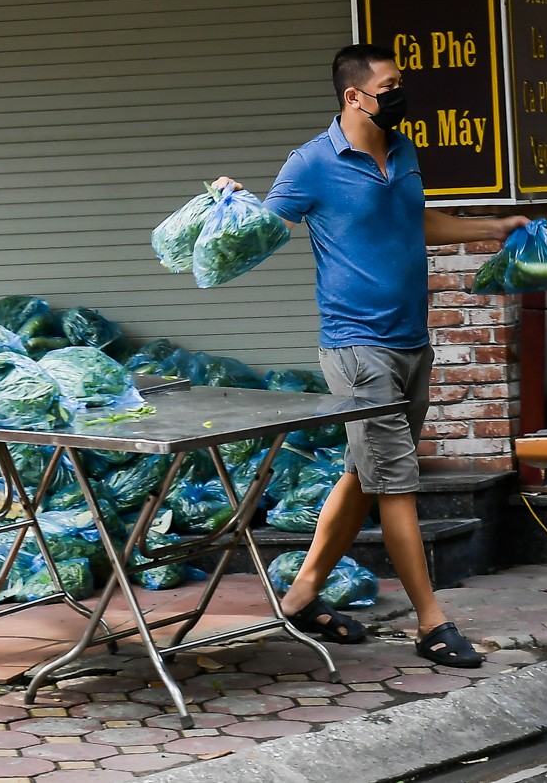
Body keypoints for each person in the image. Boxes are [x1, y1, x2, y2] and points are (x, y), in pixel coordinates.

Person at [215, 43, 527, 669]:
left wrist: (492, 228)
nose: (398, 93)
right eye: (388, 85)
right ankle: (432, 623)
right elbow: (260, 233)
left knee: (368, 473)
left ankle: (302, 595)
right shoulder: (310, 165)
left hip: (411, 338)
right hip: (358, 347)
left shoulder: (404, 151)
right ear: (354, 96)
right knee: (399, 487)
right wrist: (233, 200)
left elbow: (413, 222)